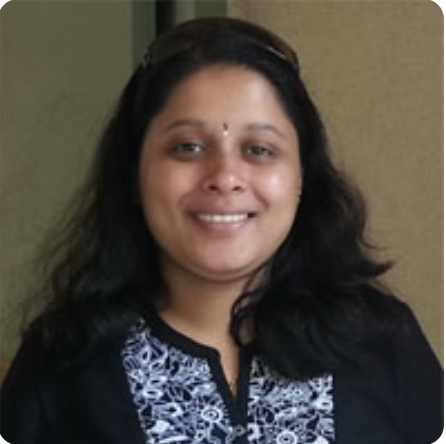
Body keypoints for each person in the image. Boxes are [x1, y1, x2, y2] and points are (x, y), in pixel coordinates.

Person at [0, 17, 442, 444]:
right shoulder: (59, 364)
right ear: (134, 173)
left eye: (259, 149)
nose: (225, 177)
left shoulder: (383, 342)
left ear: (302, 177)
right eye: (188, 147)